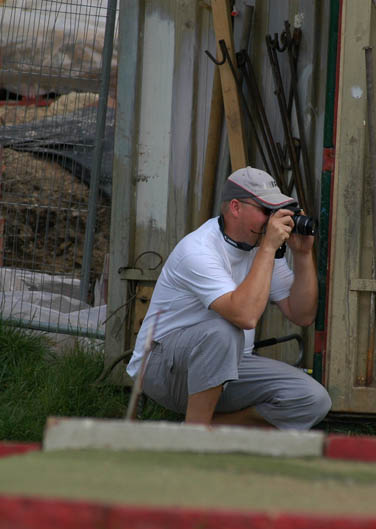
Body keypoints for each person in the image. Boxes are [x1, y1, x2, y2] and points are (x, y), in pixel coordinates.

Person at [126, 167, 331, 429]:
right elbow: (244, 316)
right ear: (235, 207)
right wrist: (268, 247)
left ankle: (205, 428)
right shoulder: (199, 250)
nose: (273, 221)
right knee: (225, 330)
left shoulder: (261, 248)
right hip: (163, 368)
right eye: (266, 211)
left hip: (229, 367)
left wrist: (302, 256)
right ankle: (195, 439)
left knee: (313, 400)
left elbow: (301, 315)